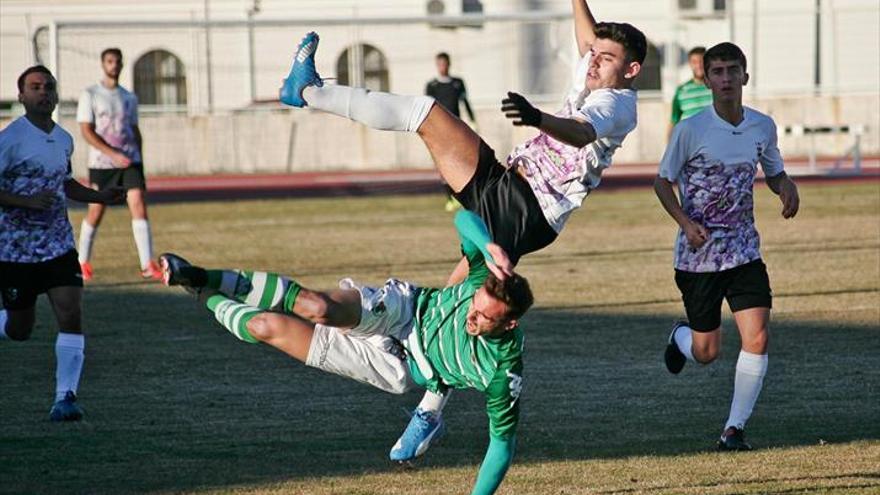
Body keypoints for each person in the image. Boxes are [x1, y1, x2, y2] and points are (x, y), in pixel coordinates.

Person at [277, 0, 646, 461]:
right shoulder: (594, 71)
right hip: (509, 180)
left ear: (631, 70)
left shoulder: (617, 103)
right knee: (427, 115)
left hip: (530, 210)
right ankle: (307, 91)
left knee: (458, 302)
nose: (592, 60)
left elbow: (580, 131)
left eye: (605, 58)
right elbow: (589, 38)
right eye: (592, 54)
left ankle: (427, 401)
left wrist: (537, 119)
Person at [158, 209, 532, 495]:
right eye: (474, 306)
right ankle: (198, 274)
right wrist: (487, 246)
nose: (472, 316)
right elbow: (464, 216)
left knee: (263, 328)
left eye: (484, 317)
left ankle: (199, 291)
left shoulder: (502, 372)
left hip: (395, 366)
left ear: (509, 324)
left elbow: (502, 446)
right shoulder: (487, 276)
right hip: (405, 311)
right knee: (317, 306)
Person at [653, 42, 800, 451]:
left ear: (744, 77)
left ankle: (733, 429)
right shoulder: (691, 129)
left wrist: (785, 187)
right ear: (707, 77)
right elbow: (662, 182)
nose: (725, 79)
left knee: (758, 337)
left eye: (732, 71)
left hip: (744, 251)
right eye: (716, 72)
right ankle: (680, 338)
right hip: (698, 257)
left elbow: (774, 171)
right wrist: (686, 222)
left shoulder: (761, 126)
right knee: (706, 352)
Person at [0, 65, 126, 421]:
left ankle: (65, 397)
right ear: (21, 95)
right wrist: (25, 202)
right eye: (36, 87)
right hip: (15, 251)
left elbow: (65, 184)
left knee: (70, 311)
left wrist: (102, 196)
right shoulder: (9, 140)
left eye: (49, 87)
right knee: (19, 329)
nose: (44, 93)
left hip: (57, 245)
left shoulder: (64, 138)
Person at [75, 47, 161, 281]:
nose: (114, 65)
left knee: (138, 204)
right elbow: (86, 130)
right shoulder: (90, 94)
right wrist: (111, 154)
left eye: (117, 61)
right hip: (102, 164)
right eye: (110, 61)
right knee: (96, 209)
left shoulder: (129, 97)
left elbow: (134, 130)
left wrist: (139, 160)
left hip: (129, 161)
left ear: (122, 65)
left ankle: (147, 264)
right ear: (103, 64)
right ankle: (82, 262)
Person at [425, 52, 478, 212]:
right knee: (443, 165)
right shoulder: (432, 86)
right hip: (439, 130)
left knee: (462, 163)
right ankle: (450, 198)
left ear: (449, 64)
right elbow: (427, 108)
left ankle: (462, 197)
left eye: (444, 64)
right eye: (439, 64)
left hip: (456, 130)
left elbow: (465, 102)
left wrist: (473, 121)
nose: (442, 67)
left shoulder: (457, 83)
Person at [668, 46, 712, 140]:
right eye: (694, 62)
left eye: (701, 61)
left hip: (713, 140)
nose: (699, 65)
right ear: (690, 64)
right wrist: (670, 148)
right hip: (690, 142)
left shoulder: (717, 87)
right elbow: (674, 121)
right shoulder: (682, 90)